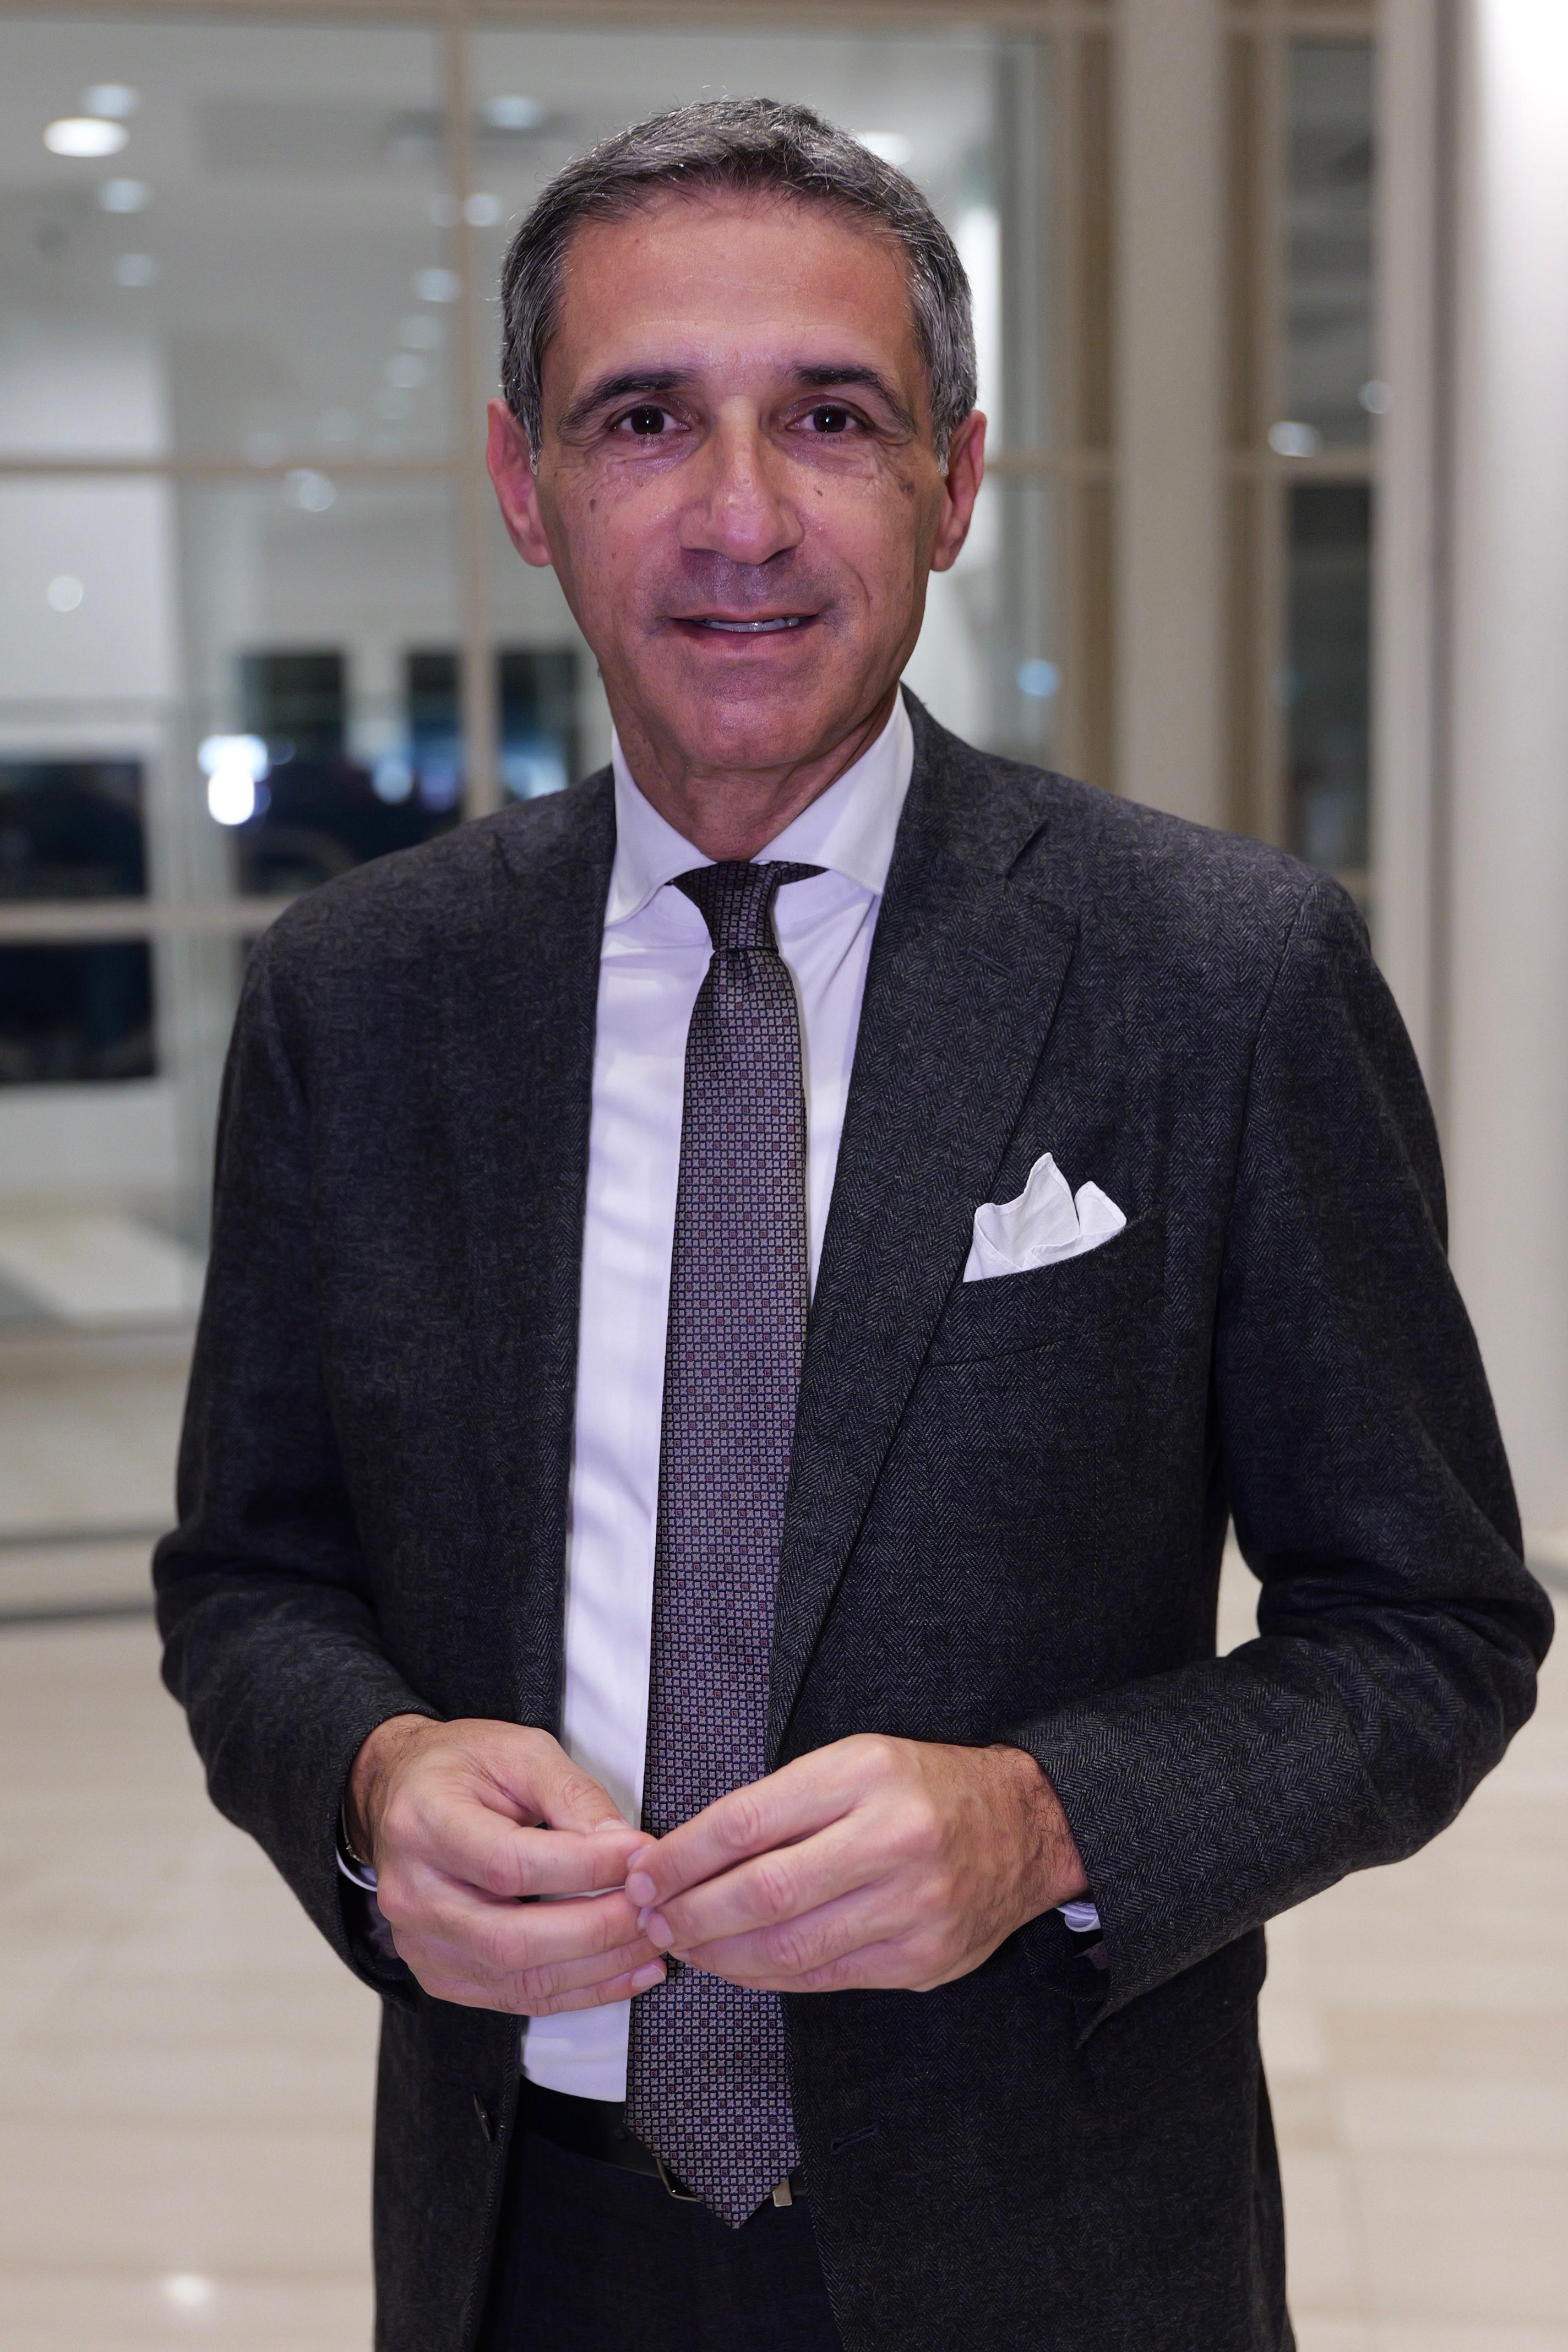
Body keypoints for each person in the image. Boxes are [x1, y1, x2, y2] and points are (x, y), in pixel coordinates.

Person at [155, 99, 1551, 2352]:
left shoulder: (1216, 975)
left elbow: (1429, 1629)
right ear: (524, 484)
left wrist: (1045, 1821)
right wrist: (369, 1777)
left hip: (1055, 2241)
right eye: (643, 420)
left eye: (829, 417)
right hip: (523, 2242)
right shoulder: (367, 997)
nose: (739, 517)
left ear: (953, 481)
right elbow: (252, 1579)